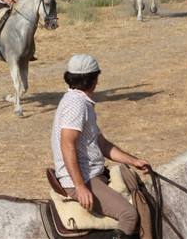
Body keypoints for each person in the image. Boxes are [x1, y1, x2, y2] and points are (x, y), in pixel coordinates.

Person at [51, 55, 149, 239]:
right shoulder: (76, 104)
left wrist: (133, 161)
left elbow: (102, 144)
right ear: (94, 79)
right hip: (82, 179)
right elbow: (67, 144)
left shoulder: (79, 100)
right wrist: (80, 187)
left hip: (90, 174)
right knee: (129, 215)